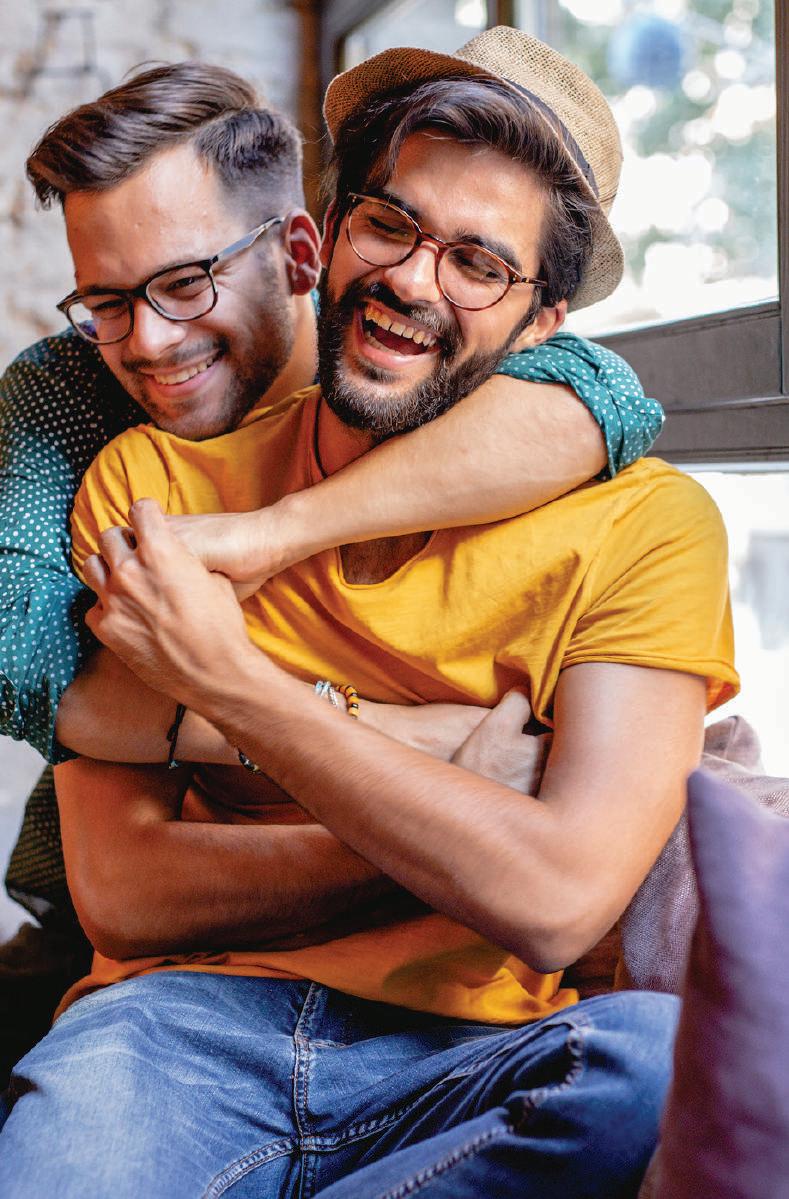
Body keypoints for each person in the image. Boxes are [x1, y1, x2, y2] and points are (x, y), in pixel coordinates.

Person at [0, 29, 736, 1198]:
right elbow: (125, 891)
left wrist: (235, 685)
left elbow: (555, 899)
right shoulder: (148, 480)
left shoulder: (649, 524)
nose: (413, 279)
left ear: (547, 321)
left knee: (647, 1065)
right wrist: (456, 799)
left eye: (478, 262)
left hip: (465, 1046)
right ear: (331, 233)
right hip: (175, 1029)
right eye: (391, 225)